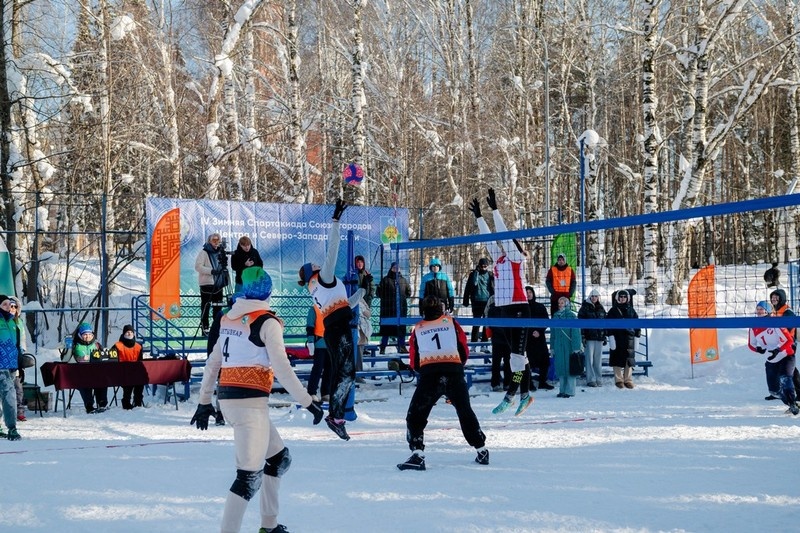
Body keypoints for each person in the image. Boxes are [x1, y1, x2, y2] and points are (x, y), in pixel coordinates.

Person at [191, 266, 325, 533]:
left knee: (279, 459)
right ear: (268, 292)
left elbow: (213, 362)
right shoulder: (267, 322)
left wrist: (205, 399)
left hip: (237, 402)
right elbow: (283, 370)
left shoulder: (228, 319)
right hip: (248, 406)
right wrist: (308, 401)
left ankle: (269, 525)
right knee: (248, 478)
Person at [298, 199, 364, 441]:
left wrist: (362, 292)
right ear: (313, 270)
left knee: (342, 373)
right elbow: (333, 248)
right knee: (346, 374)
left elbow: (345, 304)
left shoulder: (318, 287)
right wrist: (335, 221)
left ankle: (336, 416)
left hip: (334, 329)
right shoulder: (323, 277)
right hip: (337, 330)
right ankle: (336, 417)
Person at [397, 295, 489, 470]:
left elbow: (414, 359)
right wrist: (457, 365)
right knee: (465, 411)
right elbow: (463, 348)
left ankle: (418, 454)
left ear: (423, 311)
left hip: (430, 374)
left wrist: (422, 369)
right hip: (453, 370)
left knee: (416, 415)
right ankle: (481, 449)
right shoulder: (451, 323)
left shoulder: (418, 328)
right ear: (441, 309)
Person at [469, 188, 533, 416]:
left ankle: (511, 394)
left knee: (516, 357)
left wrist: (495, 210)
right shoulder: (500, 259)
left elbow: (504, 234)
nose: (504, 246)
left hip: (519, 309)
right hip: (503, 310)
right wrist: (479, 217)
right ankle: (525, 394)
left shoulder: (517, 258)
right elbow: (489, 240)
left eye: (508, 244)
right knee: (518, 357)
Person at [748, 300, 798, 415]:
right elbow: (751, 344)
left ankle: (793, 404)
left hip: (786, 355)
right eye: (758, 309)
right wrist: (758, 349)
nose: (759, 311)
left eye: (762, 309)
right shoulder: (754, 326)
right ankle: (789, 402)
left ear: (768, 310)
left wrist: (778, 349)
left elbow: (789, 340)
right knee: (774, 391)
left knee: (785, 379)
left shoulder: (775, 323)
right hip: (771, 360)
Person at [65, 322, 109, 413]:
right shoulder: (74, 345)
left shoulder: (97, 345)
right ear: (80, 335)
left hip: (95, 373)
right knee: (85, 383)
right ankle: (89, 405)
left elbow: (103, 356)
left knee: (103, 380)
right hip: (80, 374)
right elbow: (67, 359)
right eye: (85, 334)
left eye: (89, 334)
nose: (87, 336)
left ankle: (102, 403)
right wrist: (80, 358)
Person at [766, 288, 799, 400]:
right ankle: (777, 391)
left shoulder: (787, 312)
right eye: (772, 297)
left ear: (782, 299)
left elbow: (789, 329)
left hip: (789, 343)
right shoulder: (775, 310)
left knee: (788, 369)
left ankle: (795, 392)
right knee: (783, 367)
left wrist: (783, 343)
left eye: (776, 297)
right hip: (779, 343)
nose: (773, 299)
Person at [195, 233, 230, 336]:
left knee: (218, 308)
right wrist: (211, 271)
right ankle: (205, 329)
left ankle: (216, 328)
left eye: (217, 240)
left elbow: (227, 265)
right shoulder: (204, 252)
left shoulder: (221, 252)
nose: (216, 242)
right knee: (206, 306)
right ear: (209, 241)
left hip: (219, 283)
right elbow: (198, 267)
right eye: (213, 240)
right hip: (207, 284)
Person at [606, 289, 641, 389]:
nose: (622, 299)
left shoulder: (632, 310)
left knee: (628, 360)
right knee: (616, 359)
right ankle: (619, 380)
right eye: (620, 297)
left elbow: (637, 324)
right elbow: (608, 325)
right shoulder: (613, 311)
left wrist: (637, 336)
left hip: (629, 338)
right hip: (617, 338)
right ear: (617, 298)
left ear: (627, 298)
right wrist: (611, 336)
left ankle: (628, 380)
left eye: (624, 297)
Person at [376, 262, 411, 354]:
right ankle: (383, 347)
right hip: (387, 308)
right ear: (391, 268)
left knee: (401, 328)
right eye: (394, 267)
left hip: (400, 309)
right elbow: (378, 292)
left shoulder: (403, 280)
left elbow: (408, 292)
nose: (396, 269)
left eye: (397, 268)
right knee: (386, 329)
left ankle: (402, 346)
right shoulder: (385, 280)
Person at [551, 296, 582, 397]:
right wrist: (552, 347)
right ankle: (562, 390)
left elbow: (575, 333)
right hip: (558, 346)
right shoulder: (555, 316)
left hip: (569, 346)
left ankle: (570, 391)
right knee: (561, 368)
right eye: (559, 303)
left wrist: (576, 347)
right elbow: (553, 333)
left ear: (567, 304)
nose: (560, 304)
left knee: (570, 368)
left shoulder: (571, 315)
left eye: (562, 303)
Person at [108, 325, 144, 410]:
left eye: (131, 332)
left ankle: (138, 402)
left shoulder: (138, 346)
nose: (129, 333)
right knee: (129, 382)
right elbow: (111, 360)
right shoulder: (117, 346)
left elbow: (140, 362)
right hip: (121, 373)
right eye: (127, 332)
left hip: (135, 372)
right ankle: (126, 402)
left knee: (140, 381)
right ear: (124, 333)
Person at [0, 295, 21, 440]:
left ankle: (11, 427)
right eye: (4, 304)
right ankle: (11, 428)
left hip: (11, 366)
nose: (9, 307)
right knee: (8, 396)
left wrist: (19, 365)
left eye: (10, 304)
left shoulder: (14, 323)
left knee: (9, 397)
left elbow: (17, 346)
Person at [525, 286, 553, 391]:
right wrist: (531, 332)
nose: (528, 294)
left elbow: (546, 321)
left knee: (544, 361)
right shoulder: (522, 307)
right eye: (526, 292)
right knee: (528, 363)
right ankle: (529, 383)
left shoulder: (540, 307)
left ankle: (542, 382)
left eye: (530, 292)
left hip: (539, 338)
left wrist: (539, 331)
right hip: (527, 339)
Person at [578, 288, 607, 387]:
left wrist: (604, 335)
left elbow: (605, 323)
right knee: (589, 359)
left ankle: (599, 378)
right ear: (590, 297)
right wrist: (583, 336)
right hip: (589, 337)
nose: (594, 298)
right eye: (592, 296)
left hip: (599, 337)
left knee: (598, 359)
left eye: (596, 296)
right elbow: (580, 324)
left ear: (598, 297)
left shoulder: (601, 308)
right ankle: (590, 379)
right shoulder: (584, 308)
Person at [462, 258, 494, 342]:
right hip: (476, 301)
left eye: (485, 266)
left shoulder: (490, 275)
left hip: (487, 302)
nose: (483, 268)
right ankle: (474, 343)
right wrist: (465, 300)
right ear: (479, 266)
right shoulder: (473, 275)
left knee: (486, 323)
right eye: (482, 266)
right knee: (476, 323)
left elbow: (494, 288)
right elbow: (469, 286)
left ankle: (484, 343)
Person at [484, 296, 511, 392]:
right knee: (496, 362)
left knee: (508, 362)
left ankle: (507, 383)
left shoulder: (509, 305)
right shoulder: (492, 306)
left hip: (508, 338)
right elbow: (490, 322)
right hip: (497, 338)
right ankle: (495, 383)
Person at [305, 305, 330, 401]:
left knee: (329, 370)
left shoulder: (332, 307)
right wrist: (310, 341)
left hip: (331, 344)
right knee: (317, 369)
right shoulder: (314, 309)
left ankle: (326, 392)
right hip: (319, 344)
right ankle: (311, 392)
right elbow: (310, 326)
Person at [9, 296, 28, 421]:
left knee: (18, 387)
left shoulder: (19, 322)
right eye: (11, 306)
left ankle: (19, 411)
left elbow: (23, 339)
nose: (13, 309)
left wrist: (22, 351)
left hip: (16, 357)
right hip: (4, 357)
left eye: (15, 306)